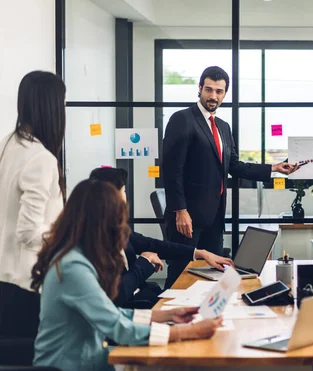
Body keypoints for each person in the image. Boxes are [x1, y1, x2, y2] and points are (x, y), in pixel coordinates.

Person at [31, 179, 222, 371]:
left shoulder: (79, 257)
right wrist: (189, 332)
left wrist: (168, 315)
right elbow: (118, 327)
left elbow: (115, 315)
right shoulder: (73, 268)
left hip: (93, 360)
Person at [162, 66, 299, 288]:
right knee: (180, 275)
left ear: (225, 94)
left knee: (212, 275)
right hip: (187, 217)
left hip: (214, 216)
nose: (213, 96)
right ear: (199, 89)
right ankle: (168, 318)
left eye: (219, 91)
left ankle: (208, 319)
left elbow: (235, 166)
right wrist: (180, 210)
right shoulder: (182, 119)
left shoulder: (223, 128)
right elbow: (171, 169)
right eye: (209, 90)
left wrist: (274, 168)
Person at [88, 167, 234, 307]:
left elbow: (153, 245)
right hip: (132, 310)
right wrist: (145, 262)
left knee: (210, 299)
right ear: (111, 196)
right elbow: (116, 296)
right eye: (124, 191)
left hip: (145, 297)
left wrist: (200, 253)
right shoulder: (95, 240)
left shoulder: (116, 228)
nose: (126, 196)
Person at [0, 71, 66, 346]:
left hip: (6, 276)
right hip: (29, 282)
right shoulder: (40, 158)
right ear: (51, 106)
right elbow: (28, 231)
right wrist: (68, 237)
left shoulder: (7, 144)